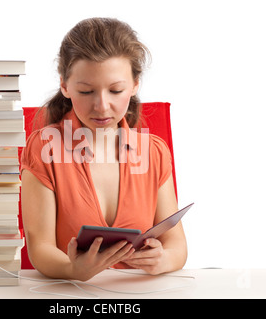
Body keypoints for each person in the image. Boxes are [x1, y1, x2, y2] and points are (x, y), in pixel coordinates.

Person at [21, 17, 187, 281]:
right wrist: (71, 270)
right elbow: (40, 248)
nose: (101, 106)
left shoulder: (153, 151)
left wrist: (162, 259)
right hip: (69, 295)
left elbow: (177, 246)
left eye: (115, 90)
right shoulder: (44, 147)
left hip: (138, 293)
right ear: (64, 85)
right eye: (86, 91)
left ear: (134, 85)